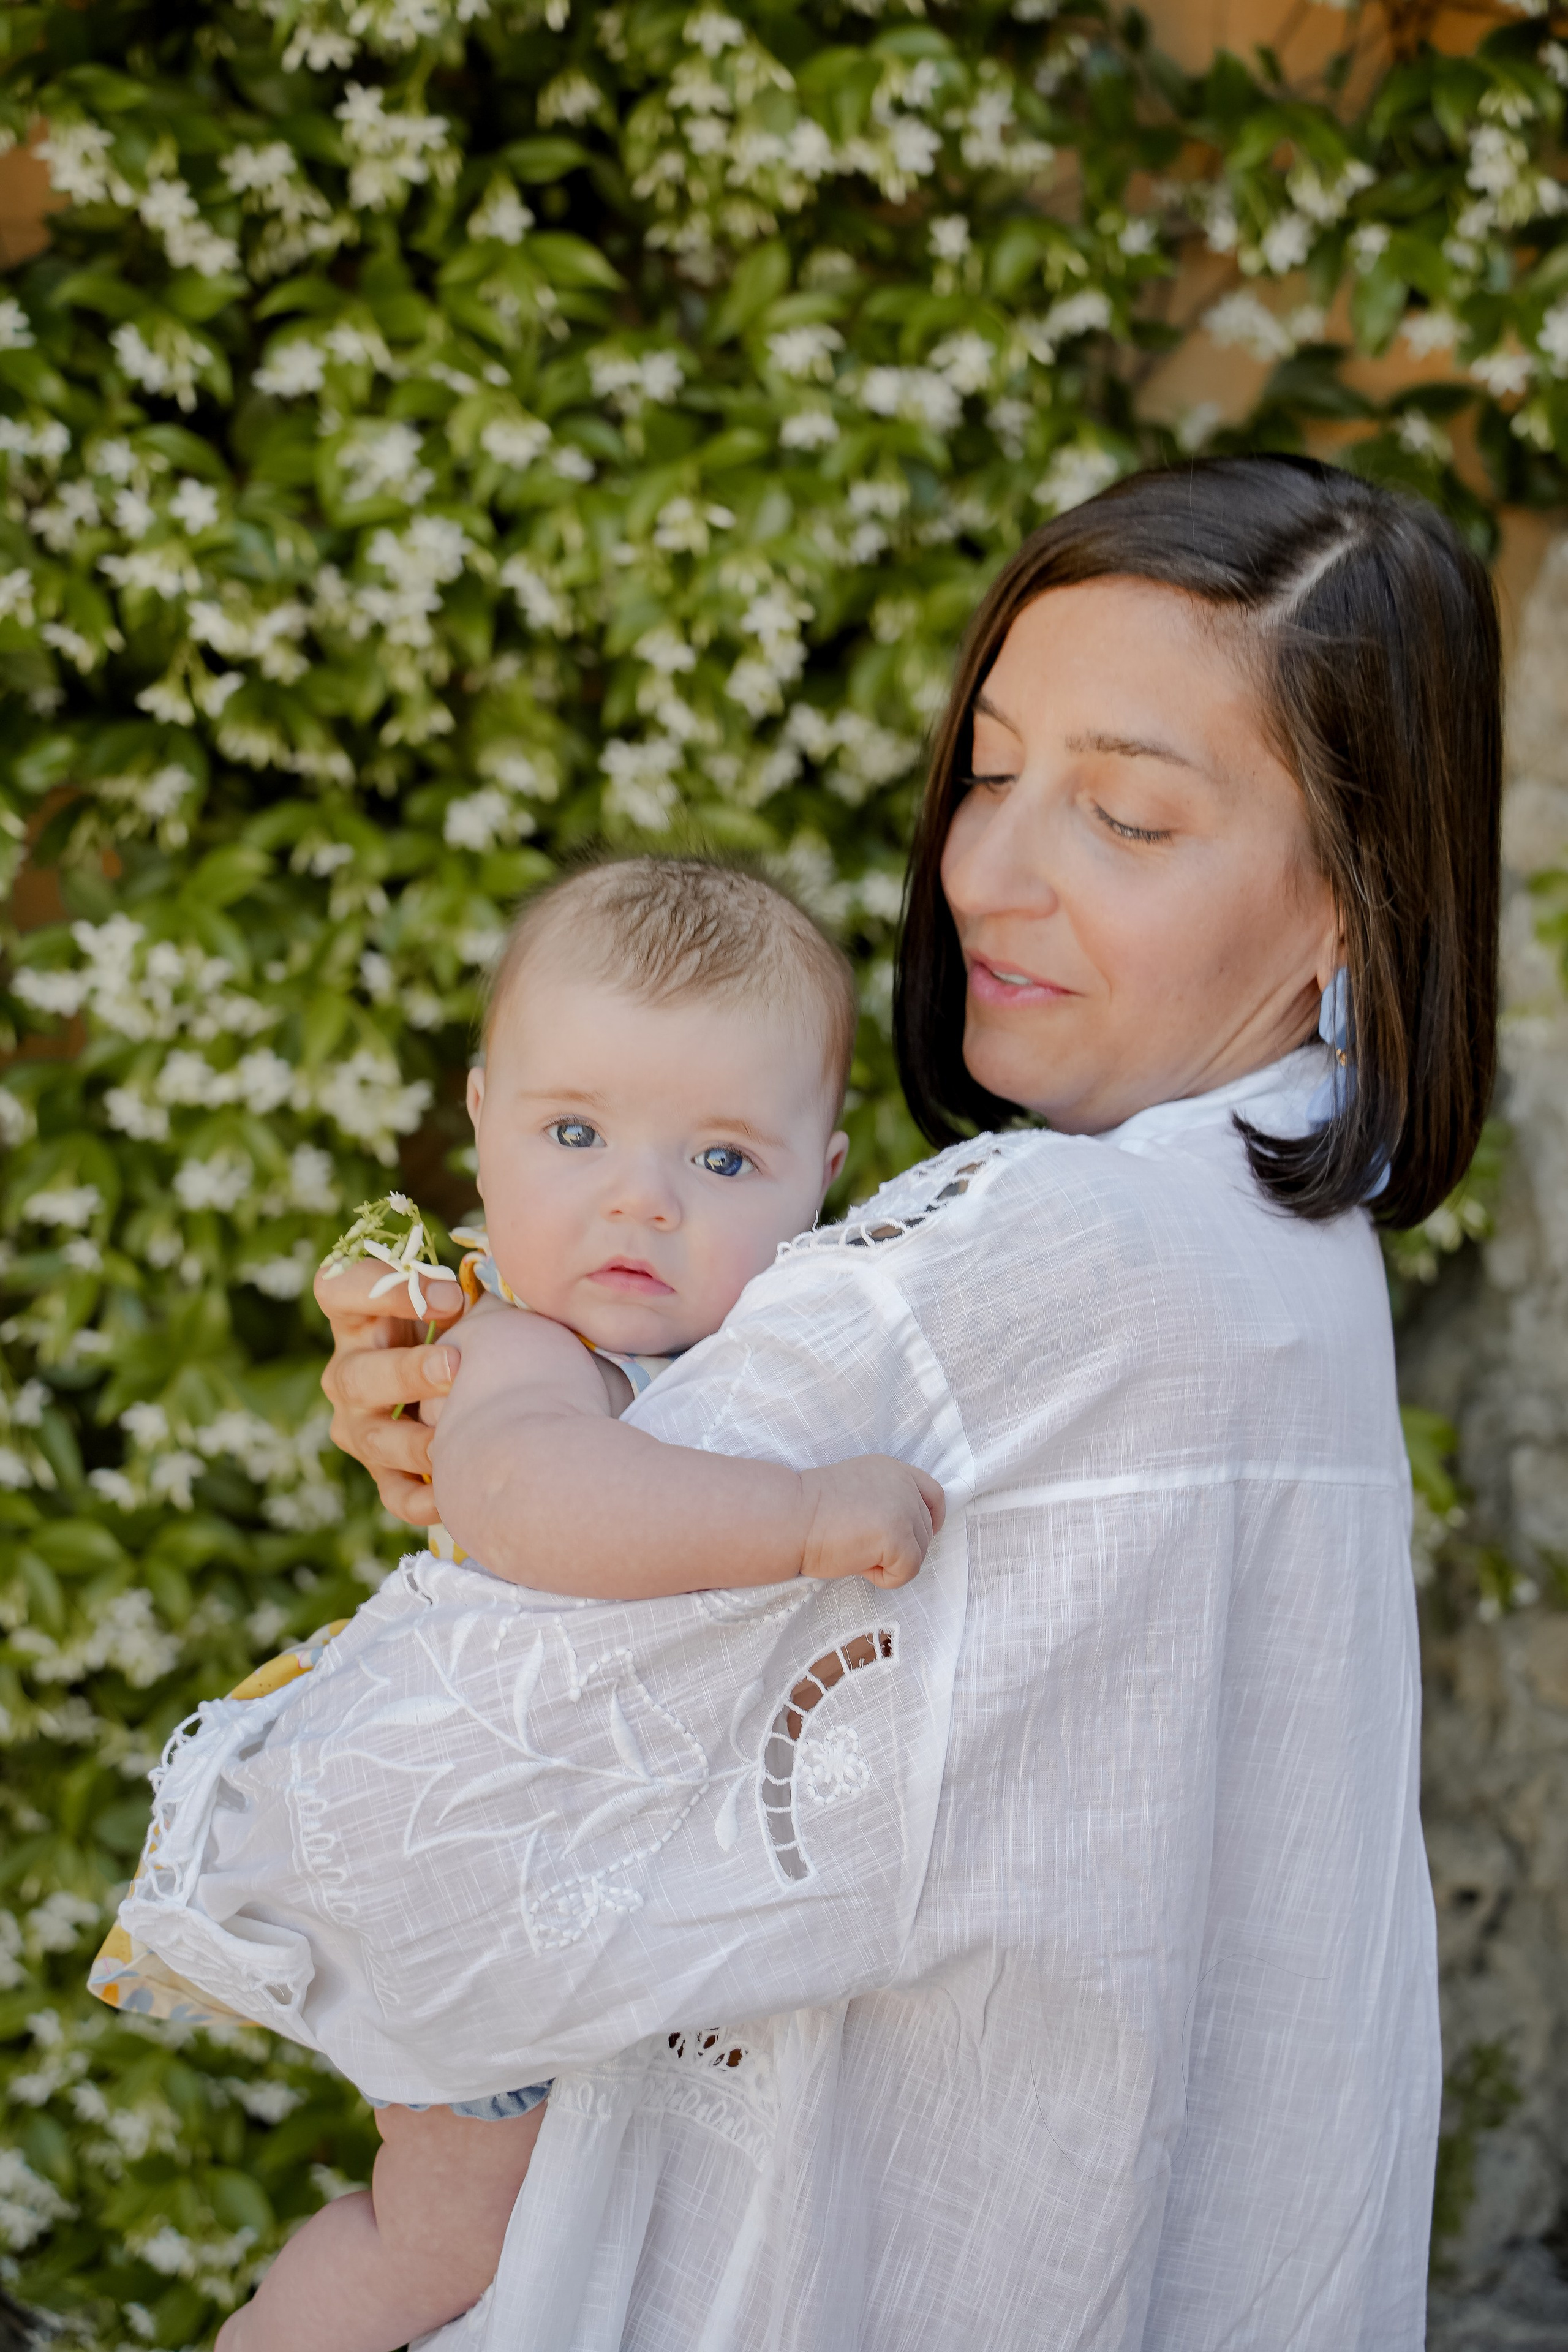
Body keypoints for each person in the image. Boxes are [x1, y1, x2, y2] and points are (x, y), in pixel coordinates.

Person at [124, 458, 1501, 2350]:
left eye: (1123, 814)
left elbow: (377, 1828)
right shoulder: (1291, 1267)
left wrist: (507, 1515)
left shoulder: (1034, 1260)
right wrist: (527, 1461)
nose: (991, 870)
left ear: (1355, 900)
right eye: (993, 772)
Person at [97, 859, 946, 2352]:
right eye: (574, 1132)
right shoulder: (525, 1351)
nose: (641, 1198)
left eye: (725, 1162)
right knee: (444, 2241)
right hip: (470, 1869)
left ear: (825, 1176)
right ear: (481, 1125)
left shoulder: (757, 1343)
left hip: (566, 1859)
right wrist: (807, 1519)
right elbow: (535, 1506)